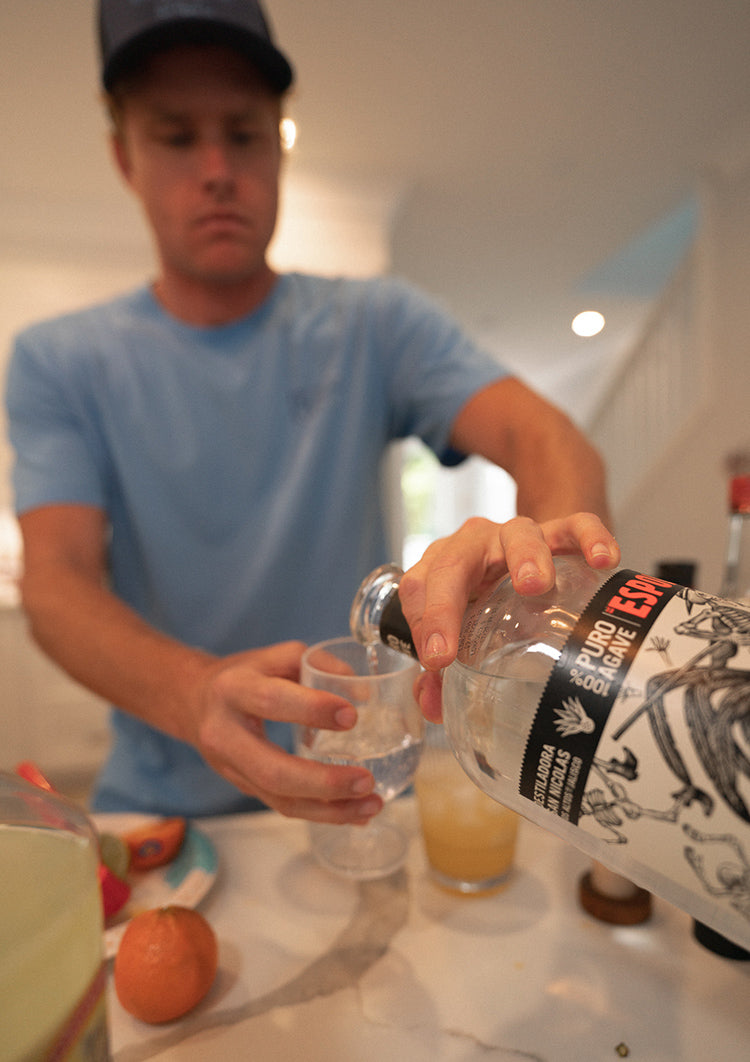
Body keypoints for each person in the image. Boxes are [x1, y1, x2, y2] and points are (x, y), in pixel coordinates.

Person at [4, 0, 619, 821]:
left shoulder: (376, 323)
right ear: (125, 157)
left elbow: (540, 433)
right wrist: (195, 693)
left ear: (280, 146)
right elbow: (55, 580)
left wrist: (548, 575)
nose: (217, 167)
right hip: (165, 809)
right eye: (177, 135)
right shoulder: (59, 360)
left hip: (370, 780)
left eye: (246, 132)